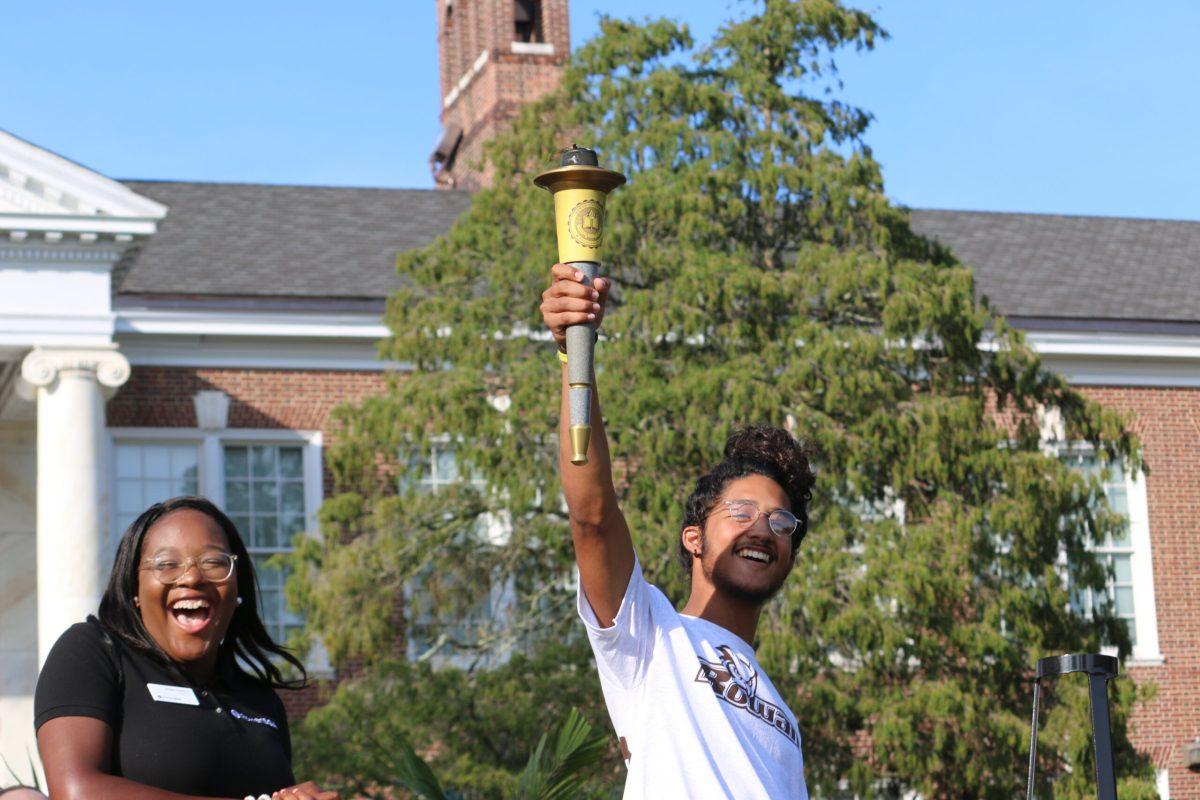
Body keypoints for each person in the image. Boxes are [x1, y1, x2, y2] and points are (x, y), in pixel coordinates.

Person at [540, 263, 815, 798]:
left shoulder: (785, 718)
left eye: (781, 521)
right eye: (739, 512)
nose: (761, 528)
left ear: (790, 555)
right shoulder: (651, 637)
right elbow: (593, 516)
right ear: (694, 538)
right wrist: (575, 352)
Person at [34, 496, 339, 800]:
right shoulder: (93, 652)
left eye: (214, 562)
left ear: (236, 590)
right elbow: (76, 792)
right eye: (166, 564)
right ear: (134, 590)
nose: (192, 577)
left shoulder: (261, 701)